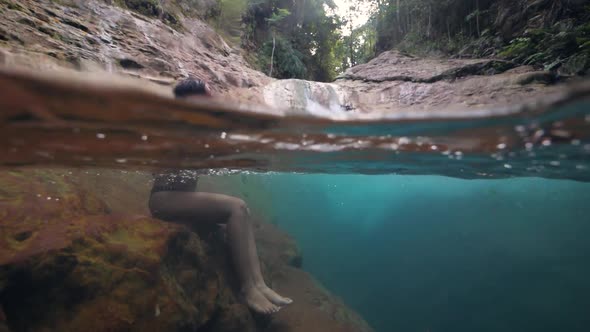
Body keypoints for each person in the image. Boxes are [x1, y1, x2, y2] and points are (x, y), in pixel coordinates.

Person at [149, 78, 292, 314]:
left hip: (177, 197)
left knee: (241, 213)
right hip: (163, 199)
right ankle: (249, 288)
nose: (214, 100)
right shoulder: (180, 126)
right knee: (236, 207)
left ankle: (260, 284)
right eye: (208, 96)